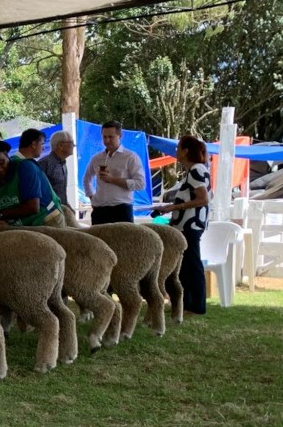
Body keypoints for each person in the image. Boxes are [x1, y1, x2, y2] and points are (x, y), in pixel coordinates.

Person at [151, 135, 210, 315]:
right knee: (185, 265)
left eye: (178, 148)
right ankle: (187, 302)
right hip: (184, 223)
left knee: (192, 264)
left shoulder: (196, 171)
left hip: (191, 225)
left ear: (185, 151)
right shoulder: (194, 170)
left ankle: (197, 305)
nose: (176, 151)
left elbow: (202, 199)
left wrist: (174, 207)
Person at [0, 139, 64, 227]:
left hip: (47, 219)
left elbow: (32, 207)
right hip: (21, 226)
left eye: (1, 162)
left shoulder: (25, 167)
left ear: (7, 155)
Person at [83, 121, 144, 224]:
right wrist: (91, 197)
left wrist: (113, 179)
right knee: (98, 240)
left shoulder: (130, 157)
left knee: (124, 240)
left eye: (111, 137)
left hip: (121, 210)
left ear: (120, 135)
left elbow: (140, 184)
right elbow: (86, 179)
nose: (107, 140)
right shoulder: (97, 158)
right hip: (100, 210)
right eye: (104, 137)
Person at [39, 131, 75, 211]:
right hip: (50, 213)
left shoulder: (63, 164)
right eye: (71, 142)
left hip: (61, 210)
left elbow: (60, 192)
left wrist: (67, 206)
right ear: (60, 146)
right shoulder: (44, 163)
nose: (74, 145)